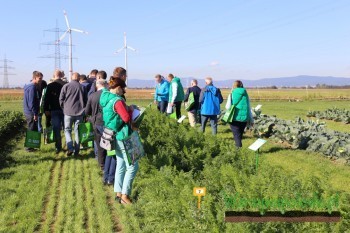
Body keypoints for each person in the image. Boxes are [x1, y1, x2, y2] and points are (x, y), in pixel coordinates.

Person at [100, 77, 137, 205]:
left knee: (121, 164)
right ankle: (125, 196)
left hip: (114, 134)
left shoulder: (106, 98)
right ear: (118, 88)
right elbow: (126, 118)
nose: (124, 92)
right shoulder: (117, 101)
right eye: (123, 89)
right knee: (132, 166)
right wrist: (131, 110)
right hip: (123, 135)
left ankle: (118, 193)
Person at [59, 72, 87, 156]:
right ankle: (77, 151)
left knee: (67, 130)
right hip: (80, 112)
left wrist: (64, 107)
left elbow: (61, 99)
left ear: (71, 78)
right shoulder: (82, 87)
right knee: (77, 132)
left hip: (68, 112)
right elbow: (86, 100)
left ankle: (70, 147)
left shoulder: (66, 86)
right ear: (79, 78)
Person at [85, 77, 107, 170]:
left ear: (97, 85)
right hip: (107, 122)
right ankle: (109, 162)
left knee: (99, 144)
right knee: (109, 143)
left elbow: (87, 111)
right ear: (105, 85)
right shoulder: (108, 95)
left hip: (96, 122)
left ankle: (101, 164)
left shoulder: (92, 96)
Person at [44, 70, 66, 154]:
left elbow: (47, 99)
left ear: (54, 75)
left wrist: (46, 109)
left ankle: (58, 147)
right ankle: (69, 145)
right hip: (64, 110)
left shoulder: (50, 86)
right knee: (67, 129)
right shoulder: (65, 84)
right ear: (62, 75)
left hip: (54, 109)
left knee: (56, 129)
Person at [229, 80, 254, 147]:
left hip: (235, 117)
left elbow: (228, 106)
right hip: (244, 118)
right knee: (240, 134)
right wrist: (251, 119)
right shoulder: (245, 93)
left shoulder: (233, 93)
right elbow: (249, 106)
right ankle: (238, 146)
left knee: (236, 135)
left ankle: (238, 149)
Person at [23, 71, 42, 151]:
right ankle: (29, 147)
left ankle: (31, 146)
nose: (40, 80)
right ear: (34, 78)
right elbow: (31, 102)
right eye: (39, 78)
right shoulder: (32, 87)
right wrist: (35, 113)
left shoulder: (29, 86)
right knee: (31, 128)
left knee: (32, 128)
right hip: (30, 112)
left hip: (28, 111)